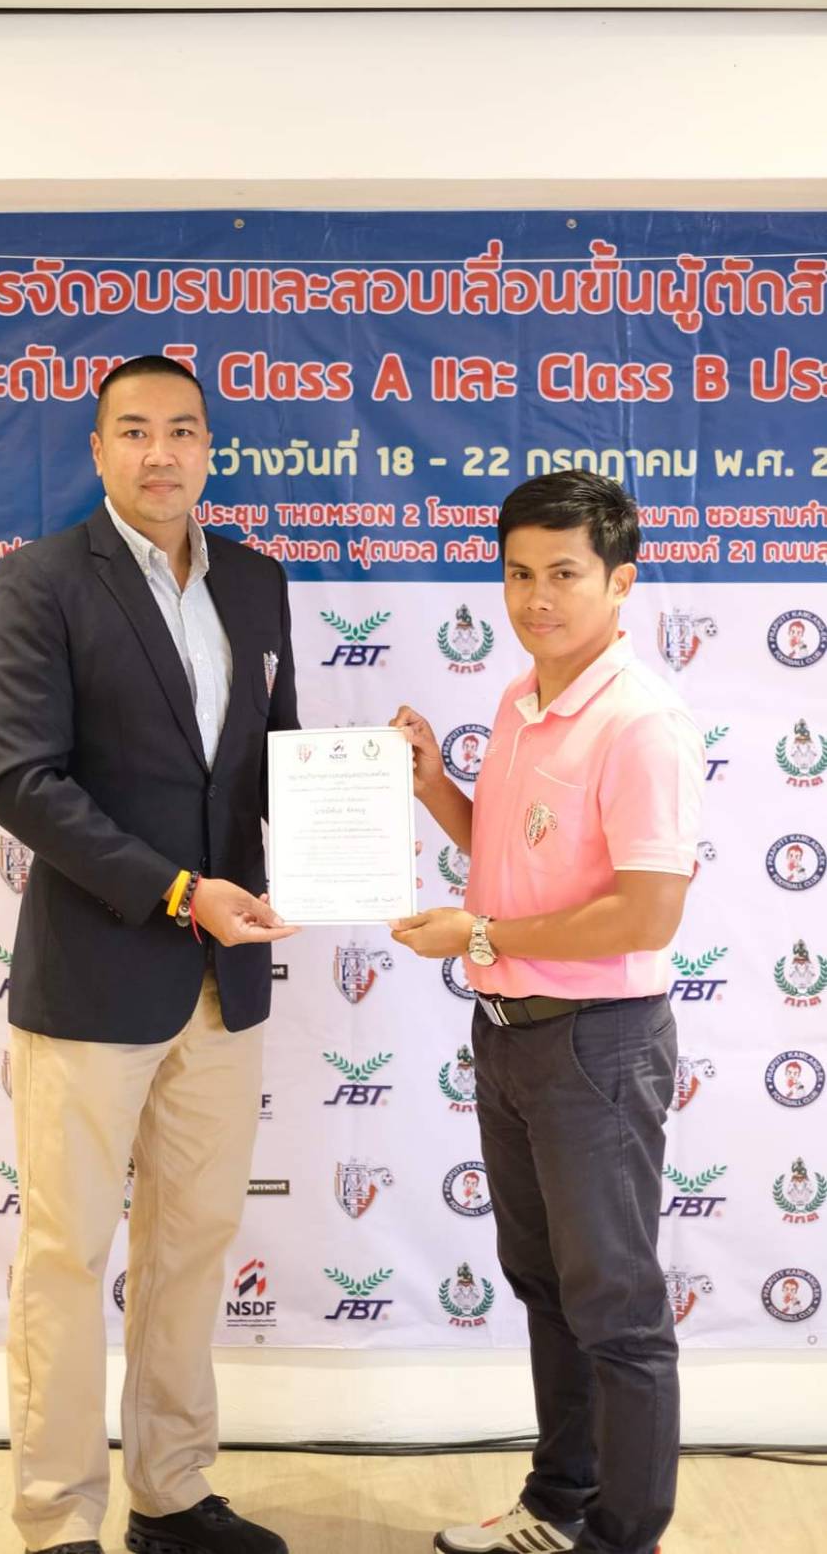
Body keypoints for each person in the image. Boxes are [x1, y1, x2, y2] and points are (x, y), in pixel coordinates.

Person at [0, 354, 298, 1554]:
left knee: (191, 1247)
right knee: (67, 1255)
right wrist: (176, 892)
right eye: (134, 430)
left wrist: (363, 797)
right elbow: (22, 780)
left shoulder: (257, 582)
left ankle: (170, 1492)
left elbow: (273, 760)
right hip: (95, 976)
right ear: (99, 449)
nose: (161, 453)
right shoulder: (45, 581)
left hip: (226, 986)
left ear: (210, 447)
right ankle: (58, 1518)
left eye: (183, 430)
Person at [389, 470, 704, 1554]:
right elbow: (507, 853)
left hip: (596, 1044)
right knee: (546, 1286)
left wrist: (478, 937)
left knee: (614, 1304)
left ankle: (623, 1535)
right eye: (518, 573)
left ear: (620, 582)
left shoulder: (640, 721)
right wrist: (434, 784)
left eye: (564, 573)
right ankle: (559, 1501)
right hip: (510, 1036)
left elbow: (646, 910)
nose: (535, 597)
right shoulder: (521, 700)